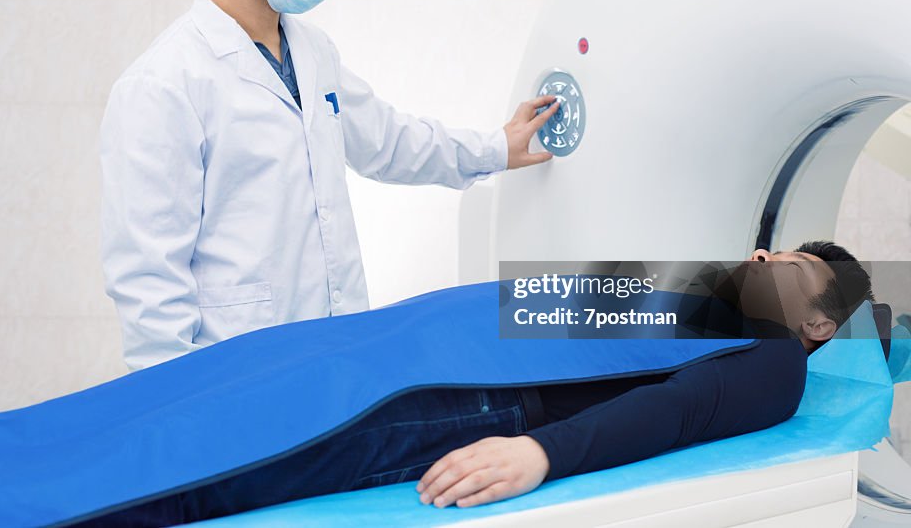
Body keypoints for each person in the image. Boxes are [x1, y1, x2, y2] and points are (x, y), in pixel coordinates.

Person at [99, 0, 561, 373]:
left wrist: (498, 147)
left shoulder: (312, 51)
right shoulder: (164, 83)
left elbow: (388, 142)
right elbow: (147, 273)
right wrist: (175, 402)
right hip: (232, 365)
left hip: (333, 345)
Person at [72, 240, 874, 527]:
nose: (766, 260)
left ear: (819, 329)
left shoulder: (775, 361)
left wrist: (540, 454)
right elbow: (539, 305)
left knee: (226, 465)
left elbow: (670, 411)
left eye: (795, 269)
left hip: (467, 403)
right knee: (218, 407)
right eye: (773, 252)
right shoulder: (695, 297)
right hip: (412, 355)